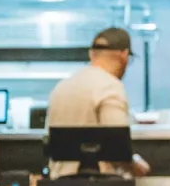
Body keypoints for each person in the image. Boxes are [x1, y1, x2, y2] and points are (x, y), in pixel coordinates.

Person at [45, 27, 150, 177]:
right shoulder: (110, 87)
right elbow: (117, 149)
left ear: (91, 54)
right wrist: (136, 167)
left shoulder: (62, 86)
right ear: (124, 55)